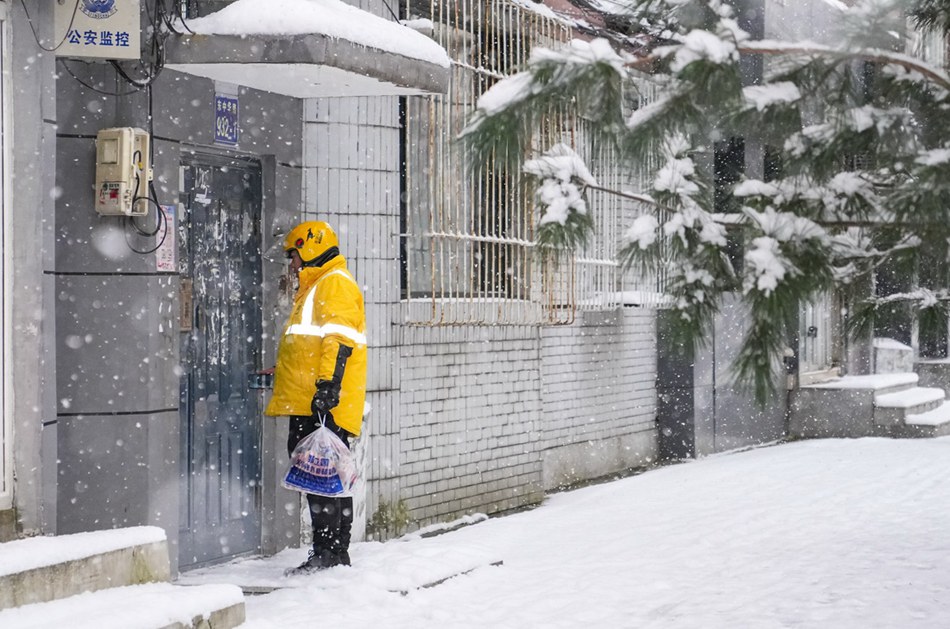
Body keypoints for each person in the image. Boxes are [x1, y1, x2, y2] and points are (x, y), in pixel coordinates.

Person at [265, 220, 367, 574]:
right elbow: (310, 345)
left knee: (323, 477)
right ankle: (333, 553)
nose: (292, 264)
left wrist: (327, 388)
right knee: (327, 476)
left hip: (323, 404)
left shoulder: (333, 284)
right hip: (315, 398)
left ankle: (329, 552)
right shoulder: (316, 286)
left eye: (293, 255)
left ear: (308, 249)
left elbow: (337, 340)